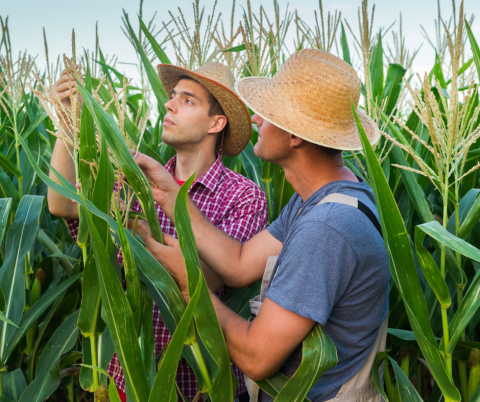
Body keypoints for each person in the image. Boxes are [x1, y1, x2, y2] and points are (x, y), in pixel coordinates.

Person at [131, 49, 391, 402]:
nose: (255, 119)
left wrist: (188, 282)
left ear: (295, 136)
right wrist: (170, 195)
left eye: (268, 114)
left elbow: (257, 357)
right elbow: (239, 262)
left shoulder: (326, 228)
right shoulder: (322, 199)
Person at [47, 61, 268, 401]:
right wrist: (68, 122)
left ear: (216, 123)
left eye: (188, 100)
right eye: (172, 96)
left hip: (206, 385)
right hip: (130, 378)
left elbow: (207, 280)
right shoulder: (135, 182)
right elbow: (62, 206)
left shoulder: (244, 196)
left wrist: (137, 228)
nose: (169, 104)